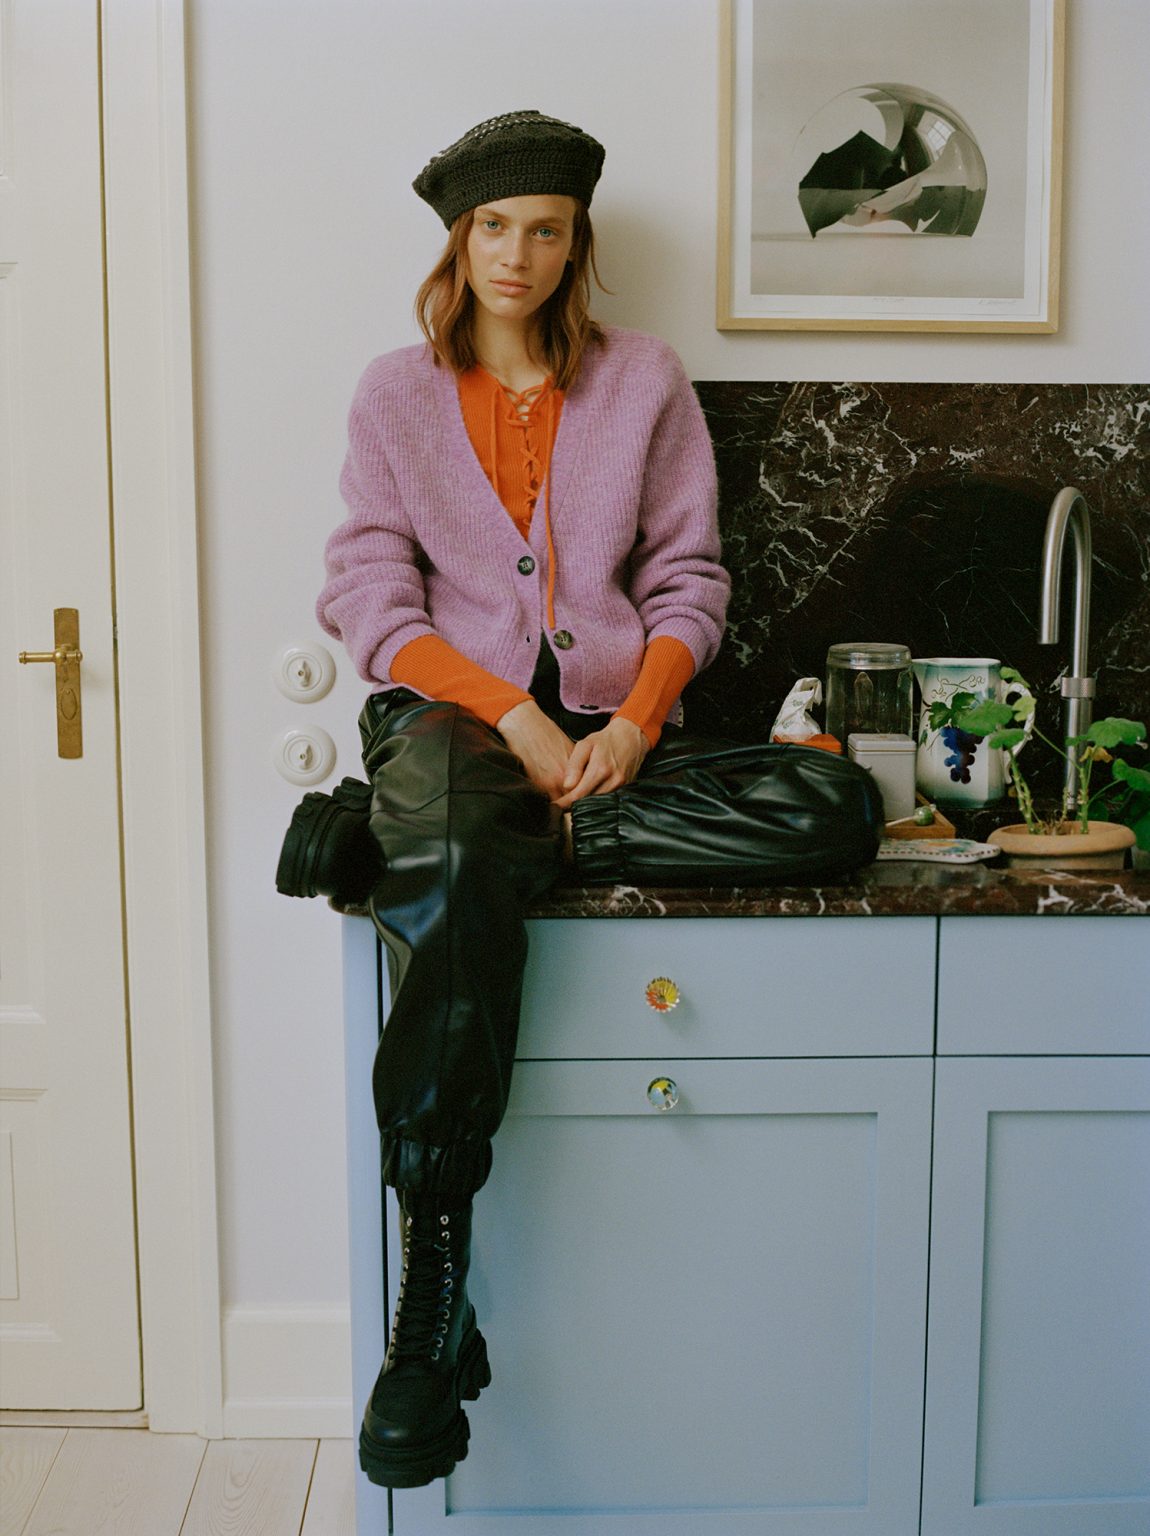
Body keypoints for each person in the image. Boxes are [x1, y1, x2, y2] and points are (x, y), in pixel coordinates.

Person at [283, 109, 881, 1491]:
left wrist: (634, 721)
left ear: (575, 244)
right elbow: (368, 596)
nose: (517, 253)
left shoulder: (644, 381)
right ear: (458, 242)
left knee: (833, 811)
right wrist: (509, 718)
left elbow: (689, 580)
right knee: (457, 838)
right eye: (493, 228)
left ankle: (411, 835)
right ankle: (434, 1288)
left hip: (610, 737)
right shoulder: (393, 394)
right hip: (451, 718)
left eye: (544, 229)